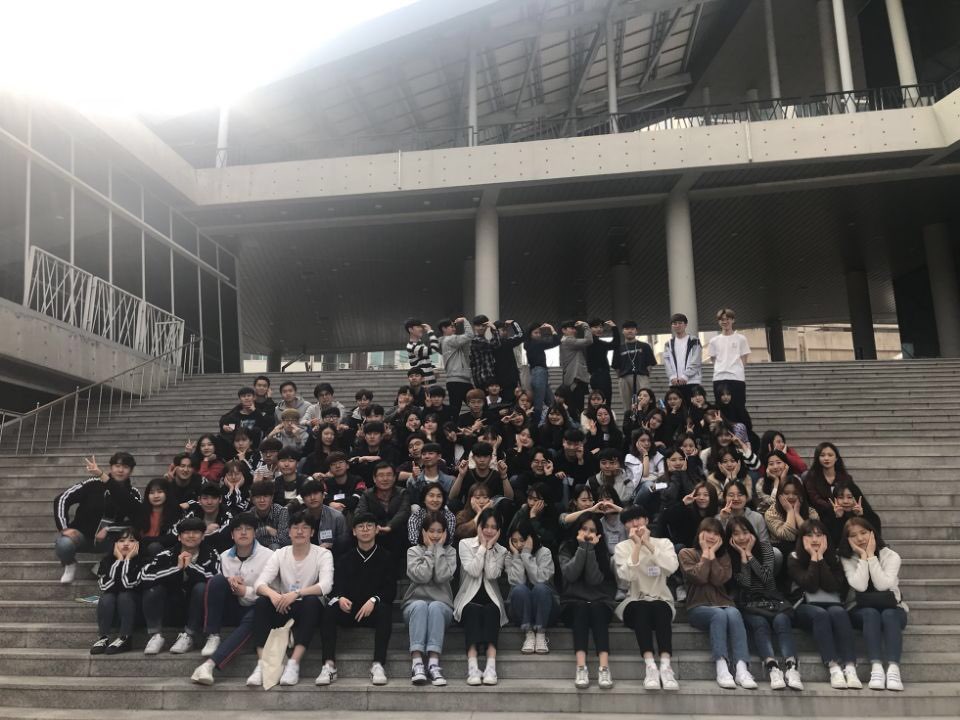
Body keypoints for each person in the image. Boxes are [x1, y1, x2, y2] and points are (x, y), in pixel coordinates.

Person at [245, 510, 332, 687]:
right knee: (262, 602)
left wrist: (297, 593)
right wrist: (274, 595)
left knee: (311, 601)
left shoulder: (322, 554)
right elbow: (259, 584)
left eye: (305, 528)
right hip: (283, 606)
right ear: (289, 532)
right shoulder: (279, 553)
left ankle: (293, 663)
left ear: (312, 532)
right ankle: (262, 664)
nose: (300, 531)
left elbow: (326, 586)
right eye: (295, 527)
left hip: (307, 609)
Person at [190, 513, 275, 685]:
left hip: (256, 609)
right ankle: (213, 634)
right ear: (231, 535)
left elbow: (274, 591)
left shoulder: (269, 556)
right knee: (217, 580)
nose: (243, 532)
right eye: (238, 529)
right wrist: (229, 582)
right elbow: (216, 588)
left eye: (248, 529)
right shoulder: (223, 557)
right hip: (231, 609)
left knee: (259, 609)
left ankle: (208, 665)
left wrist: (246, 591)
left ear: (255, 533)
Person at [318, 512, 397, 687]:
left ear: (377, 530)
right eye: (361, 526)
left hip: (372, 612)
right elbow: (335, 587)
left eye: (369, 526)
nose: (365, 530)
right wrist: (340, 598)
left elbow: (391, 590)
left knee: (385, 610)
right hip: (349, 610)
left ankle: (378, 664)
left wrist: (374, 600)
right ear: (354, 531)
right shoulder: (345, 558)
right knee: (329, 609)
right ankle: (328, 665)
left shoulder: (387, 557)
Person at [725, 516, 803, 691]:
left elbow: (767, 578)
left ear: (752, 532)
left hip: (772, 599)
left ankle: (792, 667)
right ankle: (772, 667)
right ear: (730, 537)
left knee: (782, 620)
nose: (741, 537)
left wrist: (750, 554)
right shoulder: (730, 555)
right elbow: (745, 584)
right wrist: (742, 557)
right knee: (759, 623)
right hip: (749, 603)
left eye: (745, 532)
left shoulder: (766, 547)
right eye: (736, 534)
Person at [680, 517, 757, 689]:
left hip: (723, 603)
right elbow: (700, 577)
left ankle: (741, 668)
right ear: (700, 533)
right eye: (708, 531)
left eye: (716, 533)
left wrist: (713, 555)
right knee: (719, 614)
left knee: (734, 612)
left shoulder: (724, 556)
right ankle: (722, 666)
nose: (712, 536)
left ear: (721, 537)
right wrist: (705, 554)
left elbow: (718, 579)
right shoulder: (686, 553)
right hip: (698, 607)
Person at [613, 505, 680, 691]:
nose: (635, 523)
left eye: (638, 518)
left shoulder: (664, 543)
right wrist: (636, 545)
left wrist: (648, 544)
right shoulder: (621, 547)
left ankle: (666, 667)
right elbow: (627, 577)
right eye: (629, 521)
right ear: (625, 526)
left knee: (659, 606)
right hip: (634, 602)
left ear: (647, 520)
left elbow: (671, 567)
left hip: (661, 601)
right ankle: (650, 667)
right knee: (641, 607)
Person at [788, 519, 860, 690]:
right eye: (810, 535)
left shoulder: (834, 558)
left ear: (826, 538)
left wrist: (821, 558)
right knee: (820, 614)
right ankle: (833, 667)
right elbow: (810, 585)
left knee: (839, 612)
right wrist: (814, 558)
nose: (815, 539)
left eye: (819, 535)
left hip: (831, 602)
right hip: (804, 606)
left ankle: (850, 667)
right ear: (802, 538)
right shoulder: (794, 557)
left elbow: (833, 586)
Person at [839, 517, 908, 692]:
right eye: (853, 535)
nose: (860, 538)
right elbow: (860, 586)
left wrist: (871, 556)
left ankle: (893, 670)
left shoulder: (891, 556)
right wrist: (863, 557)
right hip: (860, 609)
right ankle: (876, 668)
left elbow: (882, 585)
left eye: (863, 533)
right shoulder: (847, 558)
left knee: (889, 615)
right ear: (848, 539)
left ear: (872, 533)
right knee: (871, 613)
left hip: (893, 608)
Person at [55, 452, 141, 584]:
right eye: (117, 466)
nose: (120, 470)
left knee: (134, 542)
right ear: (111, 467)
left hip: (109, 541)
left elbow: (137, 520)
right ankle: (69, 564)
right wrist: (64, 528)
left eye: (125, 467)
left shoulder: (133, 493)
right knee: (63, 544)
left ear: (131, 471)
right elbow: (62, 498)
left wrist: (109, 528)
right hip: (81, 536)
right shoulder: (92, 483)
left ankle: (103, 565)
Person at [140, 517, 220, 655]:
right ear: (179, 537)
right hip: (170, 606)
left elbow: (215, 578)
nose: (191, 536)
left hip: (198, 609)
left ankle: (188, 635)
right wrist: (176, 568)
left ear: (202, 537)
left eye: (196, 532)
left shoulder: (211, 554)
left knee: (202, 587)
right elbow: (145, 577)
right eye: (186, 532)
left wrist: (190, 567)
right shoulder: (166, 554)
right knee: (153, 589)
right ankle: (155, 636)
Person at [558, 514, 616, 689]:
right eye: (584, 529)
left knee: (597, 608)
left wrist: (590, 550)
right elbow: (570, 574)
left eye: (592, 530)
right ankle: (581, 667)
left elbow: (594, 580)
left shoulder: (601, 551)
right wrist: (582, 548)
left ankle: (604, 668)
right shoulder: (566, 547)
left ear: (598, 534)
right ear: (577, 530)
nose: (588, 534)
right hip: (572, 602)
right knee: (581, 607)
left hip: (599, 601)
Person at [454, 506, 507, 685]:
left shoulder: (501, 550)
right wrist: (483, 547)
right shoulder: (465, 544)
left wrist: (491, 548)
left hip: (491, 599)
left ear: (499, 530)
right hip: (468, 598)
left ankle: (491, 666)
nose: (489, 531)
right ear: (479, 527)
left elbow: (491, 574)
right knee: (472, 611)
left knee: (492, 611)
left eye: (494, 527)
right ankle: (473, 666)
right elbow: (474, 571)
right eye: (486, 526)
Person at [403, 511, 457, 686]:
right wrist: (428, 552)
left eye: (439, 531)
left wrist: (438, 550)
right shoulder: (413, 551)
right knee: (420, 605)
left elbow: (441, 577)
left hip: (442, 607)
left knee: (435, 606)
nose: (435, 535)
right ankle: (417, 662)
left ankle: (433, 664)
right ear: (423, 532)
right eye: (431, 531)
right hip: (414, 606)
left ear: (445, 533)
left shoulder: (450, 552)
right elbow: (422, 576)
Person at [505, 520, 558, 656]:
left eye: (522, 540)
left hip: (546, 609)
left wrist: (526, 555)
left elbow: (540, 580)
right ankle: (529, 634)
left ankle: (540, 634)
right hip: (520, 610)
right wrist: (517, 557)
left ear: (531, 538)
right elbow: (517, 582)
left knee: (540, 588)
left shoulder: (544, 552)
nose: (518, 545)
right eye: (514, 541)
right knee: (519, 589)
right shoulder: (510, 556)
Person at [91, 527, 142, 655]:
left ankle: (125, 637)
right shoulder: (107, 561)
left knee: (124, 595)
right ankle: (103, 637)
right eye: (121, 540)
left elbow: (127, 584)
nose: (126, 544)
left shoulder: (142, 561)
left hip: (135, 610)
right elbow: (105, 586)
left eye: (131, 541)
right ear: (115, 544)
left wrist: (127, 560)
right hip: (114, 609)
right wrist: (119, 561)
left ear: (138, 544)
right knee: (107, 597)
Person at [355, 463, 411, 556]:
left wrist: (390, 526)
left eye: (389, 475)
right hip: (374, 534)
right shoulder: (367, 495)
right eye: (381, 475)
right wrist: (374, 527)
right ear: (374, 479)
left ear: (394, 478)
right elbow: (360, 513)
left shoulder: (402, 493)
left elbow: (404, 511)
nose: (385, 479)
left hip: (398, 533)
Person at [707, 308, 750, 419]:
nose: (725, 322)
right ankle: (723, 429)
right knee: (721, 408)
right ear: (719, 322)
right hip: (719, 378)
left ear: (733, 320)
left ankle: (740, 429)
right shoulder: (714, 340)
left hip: (737, 378)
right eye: (722, 319)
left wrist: (737, 369)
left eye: (727, 319)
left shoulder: (741, 339)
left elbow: (744, 358)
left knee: (739, 407)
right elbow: (713, 358)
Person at [296, 479, 350, 555]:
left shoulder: (337, 517)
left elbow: (345, 543)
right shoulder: (299, 519)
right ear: (303, 500)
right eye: (308, 495)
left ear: (323, 495)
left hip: (333, 557)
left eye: (315, 493)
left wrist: (331, 545)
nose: (312, 497)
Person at [615, 321, 657, 411]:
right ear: (623, 331)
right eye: (627, 329)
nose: (630, 331)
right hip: (624, 377)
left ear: (636, 331)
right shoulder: (619, 348)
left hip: (641, 376)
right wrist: (622, 377)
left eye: (632, 329)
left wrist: (644, 376)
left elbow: (650, 364)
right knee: (627, 406)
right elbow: (616, 367)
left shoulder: (645, 346)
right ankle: (628, 419)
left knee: (644, 403)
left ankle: (645, 418)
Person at [134, 478, 182, 557]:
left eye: (160, 492)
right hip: (141, 547)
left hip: (163, 549)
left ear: (166, 493)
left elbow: (173, 538)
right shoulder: (141, 511)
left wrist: (147, 540)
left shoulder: (175, 511)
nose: (156, 496)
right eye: (152, 493)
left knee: (154, 547)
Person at [524, 322, 560, 423]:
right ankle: (535, 426)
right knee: (539, 403)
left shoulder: (529, 345)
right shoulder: (536, 344)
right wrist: (552, 329)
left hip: (539, 373)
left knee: (551, 402)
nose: (538, 335)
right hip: (539, 373)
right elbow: (556, 341)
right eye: (536, 333)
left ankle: (554, 422)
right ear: (530, 334)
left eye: (539, 333)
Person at [662, 313, 703, 403]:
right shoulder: (668, 343)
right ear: (672, 326)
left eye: (680, 323)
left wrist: (685, 376)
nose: (677, 325)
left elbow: (696, 360)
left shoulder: (694, 341)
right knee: (677, 408)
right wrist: (672, 377)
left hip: (692, 381)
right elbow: (667, 361)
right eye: (675, 323)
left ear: (685, 324)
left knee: (693, 408)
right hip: (675, 383)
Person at [438, 316, 474, 416]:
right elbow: (469, 335)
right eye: (451, 327)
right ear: (444, 329)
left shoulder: (443, 341)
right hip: (459, 380)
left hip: (454, 381)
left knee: (455, 410)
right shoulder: (450, 339)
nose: (454, 329)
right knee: (476, 404)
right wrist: (465, 320)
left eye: (454, 326)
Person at [218, 387, 273, 452]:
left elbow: (268, 424)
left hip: (257, 447)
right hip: (238, 445)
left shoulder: (260, 411)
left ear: (254, 397)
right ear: (240, 399)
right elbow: (226, 424)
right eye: (243, 396)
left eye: (249, 396)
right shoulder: (234, 415)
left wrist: (255, 411)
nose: (246, 398)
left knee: (256, 430)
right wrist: (224, 427)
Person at [558, 320, 593, 418]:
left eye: (575, 329)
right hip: (575, 379)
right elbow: (589, 340)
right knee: (577, 409)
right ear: (564, 330)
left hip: (572, 378)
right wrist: (585, 325)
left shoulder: (564, 341)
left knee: (573, 408)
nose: (574, 331)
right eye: (571, 328)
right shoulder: (569, 341)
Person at [248, 479, 290, 550]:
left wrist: (258, 535)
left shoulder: (281, 511)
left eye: (265, 496)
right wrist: (266, 530)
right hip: (256, 551)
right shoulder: (249, 515)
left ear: (272, 497)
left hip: (278, 551)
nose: (262, 500)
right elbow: (248, 537)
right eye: (258, 497)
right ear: (252, 499)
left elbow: (283, 539)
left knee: (274, 546)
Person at [586, 319, 619, 404]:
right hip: (599, 376)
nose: (599, 329)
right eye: (595, 327)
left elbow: (615, 344)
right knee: (604, 401)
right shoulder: (589, 342)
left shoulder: (599, 343)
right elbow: (615, 344)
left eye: (601, 327)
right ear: (589, 329)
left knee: (602, 400)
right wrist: (614, 328)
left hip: (601, 375)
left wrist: (614, 328)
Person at [405, 318, 441, 387]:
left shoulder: (420, 343)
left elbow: (425, 358)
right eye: (418, 327)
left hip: (430, 382)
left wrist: (433, 368)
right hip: (423, 385)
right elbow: (434, 348)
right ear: (410, 329)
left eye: (421, 327)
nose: (421, 329)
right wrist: (430, 331)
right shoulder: (412, 346)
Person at [470, 314, 501, 390]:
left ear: (486, 326)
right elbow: (496, 345)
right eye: (478, 326)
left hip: (489, 376)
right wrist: (494, 329)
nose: (481, 328)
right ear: (474, 327)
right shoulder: (475, 341)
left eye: (483, 325)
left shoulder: (485, 340)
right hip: (481, 378)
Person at [493, 319, 524, 395]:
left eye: (506, 330)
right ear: (495, 332)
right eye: (503, 330)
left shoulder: (490, 343)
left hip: (498, 380)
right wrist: (514, 323)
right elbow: (521, 335)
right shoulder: (506, 342)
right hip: (510, 379)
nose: (506, 332)